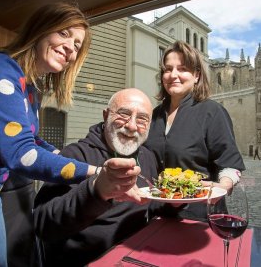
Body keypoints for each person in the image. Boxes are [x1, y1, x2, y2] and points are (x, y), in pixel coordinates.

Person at [0, 2, 140, 266]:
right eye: (64, 34)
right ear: (42, 29)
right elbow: (21, 154)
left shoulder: (29, 87)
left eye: (78, 44)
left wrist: (80, 163)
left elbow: (32, 141)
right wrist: (96, 173)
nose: (70, 47)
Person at [33, 88, 178, 266]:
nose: (132, 126)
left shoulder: (147, 157)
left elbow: (153, 206)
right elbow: (43, 224)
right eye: (124, 114)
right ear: (106, 115)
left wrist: (174, 202)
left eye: (142, 119)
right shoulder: (75, 156)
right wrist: (96, 191)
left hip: (140, 254)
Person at [144, 40, 245, 220]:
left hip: (200, 216)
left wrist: (223, 185)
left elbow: (230, 164)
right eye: (167, 69)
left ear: (196, 75)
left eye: (182, 69)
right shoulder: (154, 115)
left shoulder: (212, 112)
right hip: (157, 215)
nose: (173, 75)